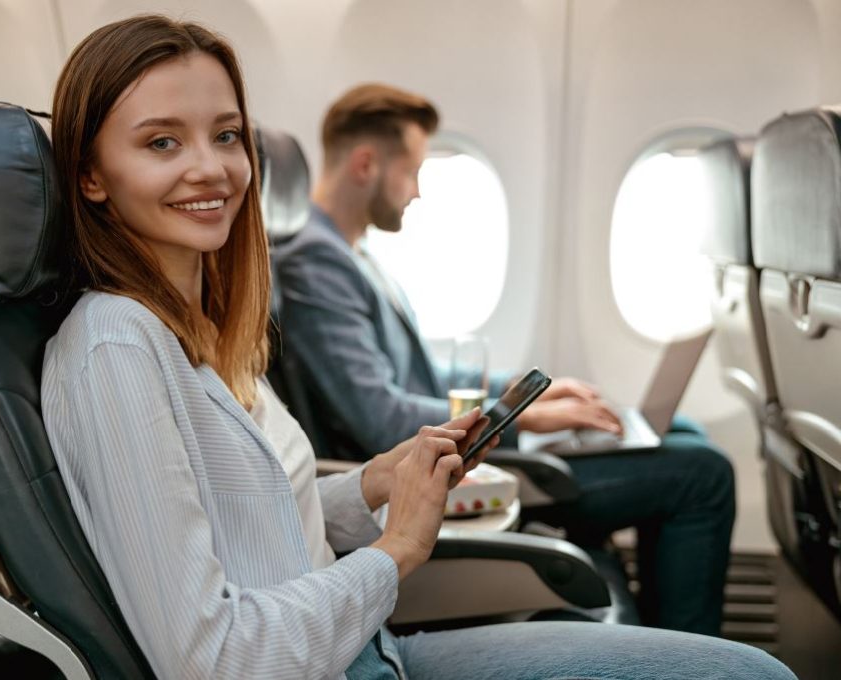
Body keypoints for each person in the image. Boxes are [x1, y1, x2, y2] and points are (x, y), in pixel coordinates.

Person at [41, 14, 795, 679]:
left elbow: (256, 516)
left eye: (227, 135)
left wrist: (374, 480)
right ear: (91, 176)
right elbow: (214, 661)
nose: (211, 167)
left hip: (365, 649)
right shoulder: (117, 348)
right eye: (161, 142)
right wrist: (395, 549)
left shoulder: (195, 329)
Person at [274, 83, 735, 636]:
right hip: (430, 473)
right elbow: (377, 414)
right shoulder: (314, 264)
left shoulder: (354, 254)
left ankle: (666, 641)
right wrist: (515, 418)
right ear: (367, 164)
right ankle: (686, 656)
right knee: (704, 475)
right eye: (412, 170)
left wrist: (520, 389)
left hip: (450, 447)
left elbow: (419, 374)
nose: (417, 191)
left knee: (683, 432)